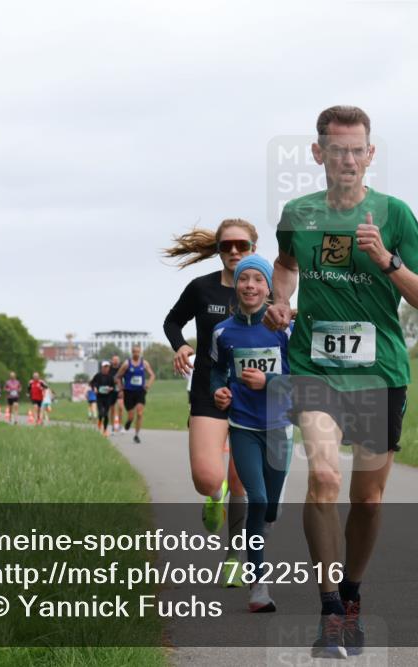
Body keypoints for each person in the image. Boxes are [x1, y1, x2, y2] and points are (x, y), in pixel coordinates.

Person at [264, 105, 418, 658]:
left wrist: (387, 260)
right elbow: (287, 263)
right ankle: (330, 606)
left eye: (356, 149)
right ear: (317, 153)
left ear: (370, 154)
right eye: (335, 149)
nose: (346, 158)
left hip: (380, 371)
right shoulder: (298, 212)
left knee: (367, 498)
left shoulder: (395, 214)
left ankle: (354, 592)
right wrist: (280, 300)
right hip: (315, 367)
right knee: (322, 475)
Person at [163, 218, 254, 586]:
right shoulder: (201, 289)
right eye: (227, 245)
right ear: (218, 250)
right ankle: (213, 496)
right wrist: (181, 345)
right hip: (207, 392)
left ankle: (234, 558)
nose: (234, 251)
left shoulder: (264, 290)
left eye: (242, 246)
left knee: (242, 480)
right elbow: (172, 322)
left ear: (252, 249)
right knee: (208, 477)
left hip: (251, 396)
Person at [210, 255, 294, 613]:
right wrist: (220, 391)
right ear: (236, 285)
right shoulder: (223, 332)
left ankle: (257, 535)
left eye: (258, 280)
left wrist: (270, 380)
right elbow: (216, 371)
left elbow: (302, 378)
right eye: (244, 279)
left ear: (268, 288)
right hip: (243, 426)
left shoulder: (285, 330)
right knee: (256, 499)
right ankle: (258, 584)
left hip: (279, 426)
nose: (249, 286)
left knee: (271, 508)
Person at [116, 343, 156, 444]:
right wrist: (121, 388)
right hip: (129, 392)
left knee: (139, 413)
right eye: (134, 352)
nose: (136, 354)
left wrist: (147, 386)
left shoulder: (144, 363)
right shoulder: (126, 364)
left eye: (138, 352)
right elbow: (118, 377)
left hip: (140, 392)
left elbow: (152, 375)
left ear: (140, 352)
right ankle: (128, 423)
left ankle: (137, 435)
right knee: (131, 416)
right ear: (132, 352)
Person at [90, 361, 118, 435]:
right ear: (102, 367)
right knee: (101, 413)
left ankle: (105, 430)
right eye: (104, 367)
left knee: (105, 414)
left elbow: (113, 387)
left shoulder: (110, 377)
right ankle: (99, 421)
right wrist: (95, 388)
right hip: (99, 397)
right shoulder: (98, 376)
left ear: (109, 368)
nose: (106, 368)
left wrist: (111, 389)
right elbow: (92, 383)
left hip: (108, 397)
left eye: (107, 367)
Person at [110, 354, 124, 431]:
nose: (115, 361)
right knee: (112, 409)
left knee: (120, 408)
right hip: (111, 391)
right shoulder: (109, 369)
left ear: (119, 361)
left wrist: (122, 390)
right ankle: (112, 426)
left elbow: (124, 379)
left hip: (120, 391)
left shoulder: (122, 368)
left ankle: (120, 425)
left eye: (117, 359)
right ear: (112, 361)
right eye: (114, 359)